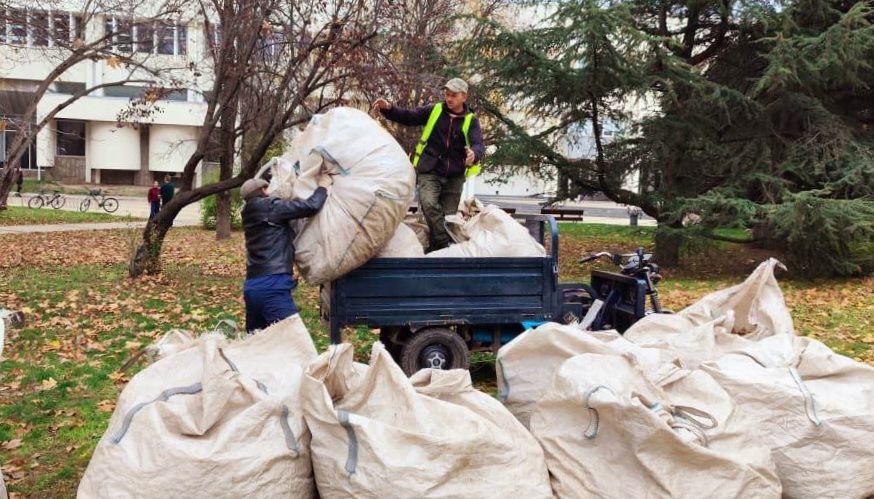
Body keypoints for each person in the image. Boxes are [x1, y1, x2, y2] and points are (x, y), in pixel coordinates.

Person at [372, 77, 486, 252]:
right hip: (430, 170)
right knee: (429, 204)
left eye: (453, 95)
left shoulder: (471, 121)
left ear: (464, 96)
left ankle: (435, 253)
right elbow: (409, 117)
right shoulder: (434, 110)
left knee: (447, 219)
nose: (449, 98)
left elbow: (478, 144)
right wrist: (389, 108)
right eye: (447, 94)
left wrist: (474, 153)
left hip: (455, 176)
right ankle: (444, 245)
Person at [240, 171, 333, 333]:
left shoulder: (247, 213)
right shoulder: (270, 206)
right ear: (262, 190)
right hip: (272, 288)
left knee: (257, 344)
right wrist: (323, 187)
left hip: (252, 287)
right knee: (297, 343)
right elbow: (311, 206)